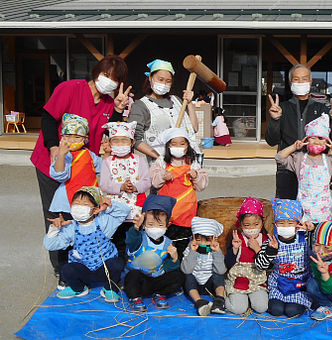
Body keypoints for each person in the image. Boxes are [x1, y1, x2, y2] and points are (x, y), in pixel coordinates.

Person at [32, 55, 130, 284]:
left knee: (82, 213)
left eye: (114, 79)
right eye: (106, 75)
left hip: (84, 167)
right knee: (58, 214)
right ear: (97, 71)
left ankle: (82, 262)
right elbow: (48, 117)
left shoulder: (108, 102)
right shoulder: (70, 88)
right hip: (54, 161)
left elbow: (106, 131)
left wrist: (117, 110)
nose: (109, 82)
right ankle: (61, 268)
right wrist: (53, 147)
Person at [265, 64, 332, 199]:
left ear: (310, 82)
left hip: (315, 169)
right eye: (296, 79)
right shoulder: (282, 108)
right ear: (290, 83)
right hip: (288, 167)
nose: (300, 82)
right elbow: (272, 141)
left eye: (304, 79)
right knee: (287, 213)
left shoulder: (322, 109)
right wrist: (275, 119)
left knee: (313, 211)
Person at [43, 186, 130, 302]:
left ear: (95, 209)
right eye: (76, 203)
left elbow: (124, 211)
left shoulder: (104, 222)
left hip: (104, 269)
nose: (79, 207)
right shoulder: (71, 227)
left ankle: (109, 289)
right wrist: (54, 229)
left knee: (117, 263)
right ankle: (79, 288)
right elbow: (50, 245)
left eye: (84, 204)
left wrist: (109, 205)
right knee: (67, 269)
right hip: (83, 269)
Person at [275, 114, 332, 223]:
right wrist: (294, 147)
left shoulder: (330, 160)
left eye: (321, 138)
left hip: (324, 210)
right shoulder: (299, 158)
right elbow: (279, 158)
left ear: (326, 142)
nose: (316, 141)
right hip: (303, 208)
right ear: (306, 140)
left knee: (322, 237)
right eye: (312, 138)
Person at [150, 128, 209, 258]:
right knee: (165, 242)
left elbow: (202, 185)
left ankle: (182, 267)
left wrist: (196, 176)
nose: (178, 147)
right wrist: (162, 176)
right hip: (166, 210)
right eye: (174, 144)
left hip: (186, 211)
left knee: (183, 243)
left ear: (187, 146)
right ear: (168, 146)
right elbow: (154, 182)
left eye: (182, 143)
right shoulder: (161, 162)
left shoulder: (192, 163)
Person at [128, 59, 201, 162]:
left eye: (168, 81)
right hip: (162, 166)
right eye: (160, 79)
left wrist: (189, 103)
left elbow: (194, 128)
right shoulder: (140, 106)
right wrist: (159, 157)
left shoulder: (177, 100)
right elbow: (134, 139)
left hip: (189, 162)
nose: (164, 84)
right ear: (150, 78)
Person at [100, 121, 151, 263]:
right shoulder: (107, 161)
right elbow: (104, 184)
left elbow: (147, 181)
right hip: (115, 211)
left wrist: (135, 187)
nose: (120, 144)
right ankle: (118, 271)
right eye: (116, 141)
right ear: (110, 143)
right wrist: (120, 187)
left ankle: (133, 268)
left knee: (134, 241)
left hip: (135, 210)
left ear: (132, 142)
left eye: (124, 140)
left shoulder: (140, 160)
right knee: (117, 242)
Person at [124, 195, 184, 312]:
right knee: (132, 276)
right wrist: (136, 227)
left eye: (160, 225)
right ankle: (135, 298)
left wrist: (174, 258)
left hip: (156, 281)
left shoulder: (168, 243)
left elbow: (168, 267)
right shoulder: (139, 238)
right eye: (151, 224)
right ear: (144, 223)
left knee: (178, 276)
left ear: (168, 225)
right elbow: (130, 242)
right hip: (139, 281)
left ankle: (160, 294)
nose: (155, 228)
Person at [258, 199, 312, 318]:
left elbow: (320, 244)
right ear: (275, 224)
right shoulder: (271, 241)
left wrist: (312, 229)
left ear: (298, 225)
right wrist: (271, 251)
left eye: (290, 223)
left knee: (292, 311)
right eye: (281, 223)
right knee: (276, 310)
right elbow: (260, 265)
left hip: (300, 285)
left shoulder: (306, 239)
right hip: (279, 284)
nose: (286, 226)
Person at [48, 114, 102, 216]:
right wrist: (61, 155)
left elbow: (104, 168)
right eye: (67, 136)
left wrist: (107, 152)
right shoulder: (63, 155)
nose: (72, 140)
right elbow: (60, 175)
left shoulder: (89, 154)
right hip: (66, 204)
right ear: (62, 137)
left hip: (88, 200)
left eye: (77, 137)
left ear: (85, 138)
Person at [225, 197, 270, 314]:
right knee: (238, 309)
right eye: (247, 225)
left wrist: (257, 249)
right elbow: (228, 263)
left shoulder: (265, 239)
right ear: (241, 225)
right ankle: (221, 299)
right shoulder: (237, 238)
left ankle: (251, 299)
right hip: (239, 281)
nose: (251, 228)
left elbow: (267, 265)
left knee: (261, 307)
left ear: (262, 223)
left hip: (257, 280)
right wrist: (235, 248)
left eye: (256, 224)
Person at [181, 217, 227, 316]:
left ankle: (219, 300)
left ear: (215, 238)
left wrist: (217, 252)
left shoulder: (215, 251)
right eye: (199, 240)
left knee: (219, 275)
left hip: (210, 284)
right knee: (188, 276)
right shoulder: (190, 250)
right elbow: (186, 270)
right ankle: (199, 302)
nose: (203, 244)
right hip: (195, 285)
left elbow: (221, 271)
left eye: (207, 240)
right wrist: (193, 252)